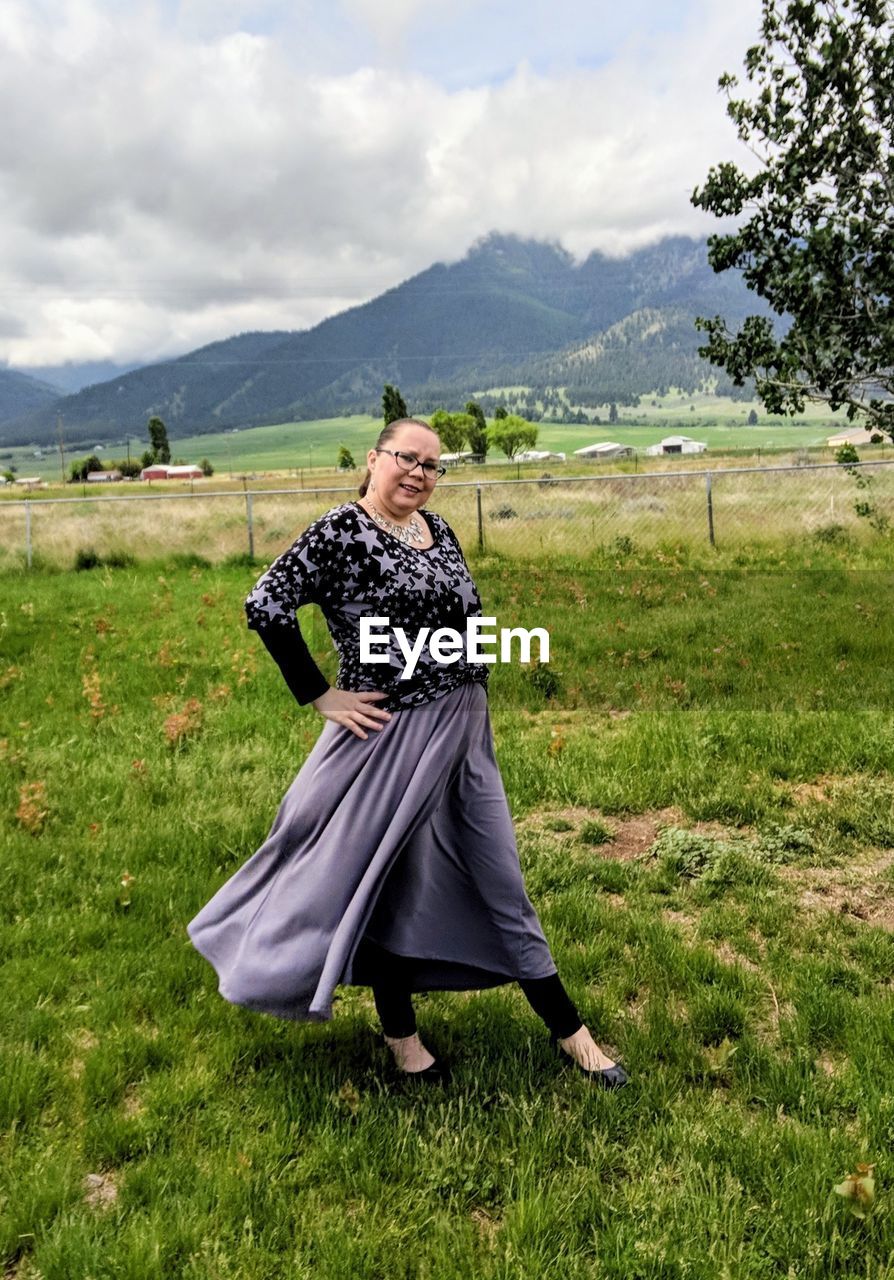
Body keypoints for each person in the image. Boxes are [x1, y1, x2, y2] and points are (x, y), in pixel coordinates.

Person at [187, 418, 627, 1088]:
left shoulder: (439, 530)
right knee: (385, 883)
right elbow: (266, 604)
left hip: (462, 734)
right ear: (374, 459)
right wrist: (321, 695)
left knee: (499, 878)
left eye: (432, 465)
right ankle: (404, 1039)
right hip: (388, 740)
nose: (419, 473)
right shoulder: (342, 531)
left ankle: (572, 1036)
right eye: (407, 459)